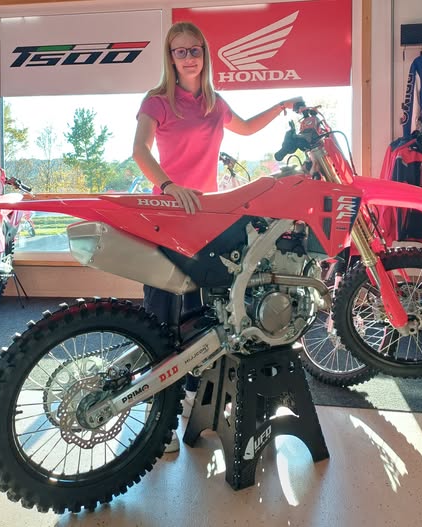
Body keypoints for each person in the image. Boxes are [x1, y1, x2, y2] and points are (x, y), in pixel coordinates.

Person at [132, 21, 302, 452]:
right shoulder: (157, 101)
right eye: (180, 51)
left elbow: (245, 127)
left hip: (205, 218)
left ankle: (190, 397)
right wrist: (168, 185)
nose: (188, 58)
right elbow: (139, 151)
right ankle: (156, 419)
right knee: (160, 314)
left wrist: (282, 105)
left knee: (198, 314)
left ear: (205, 55)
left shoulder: (213, 102)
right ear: (170, 58)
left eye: (195, 50)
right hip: (168, 214)